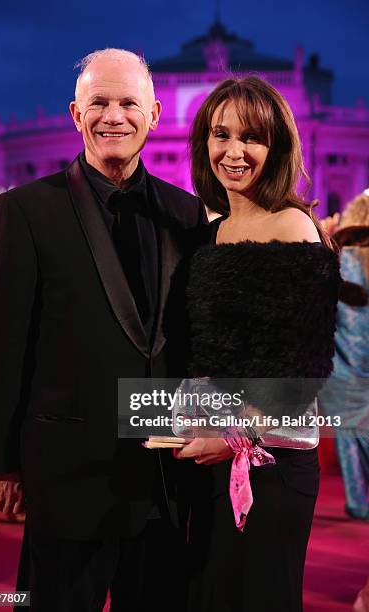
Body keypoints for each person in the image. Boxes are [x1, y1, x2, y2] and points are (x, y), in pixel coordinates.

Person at [0, 48, 205, 611]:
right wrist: (1, 464)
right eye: (98, 103)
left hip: (161, 475)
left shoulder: (187, 214)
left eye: (129, 103)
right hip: (67, 474)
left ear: (154, 115)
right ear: (75, 115)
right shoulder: (25, 209)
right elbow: (3, 346)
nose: (114, 116)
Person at [174, 76, 341, 611]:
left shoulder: (291, 224)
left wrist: (232, 436)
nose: (234, 151)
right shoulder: (212, 231)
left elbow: (304, 371)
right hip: (208, 455)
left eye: (252, 137)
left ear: (278, 147)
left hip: (269, 464)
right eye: (220, 135)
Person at [319, 192, 369, 521]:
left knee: (350, 437)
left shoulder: (342, 256)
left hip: (343, 364)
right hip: (363, 362)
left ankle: (357, 502)